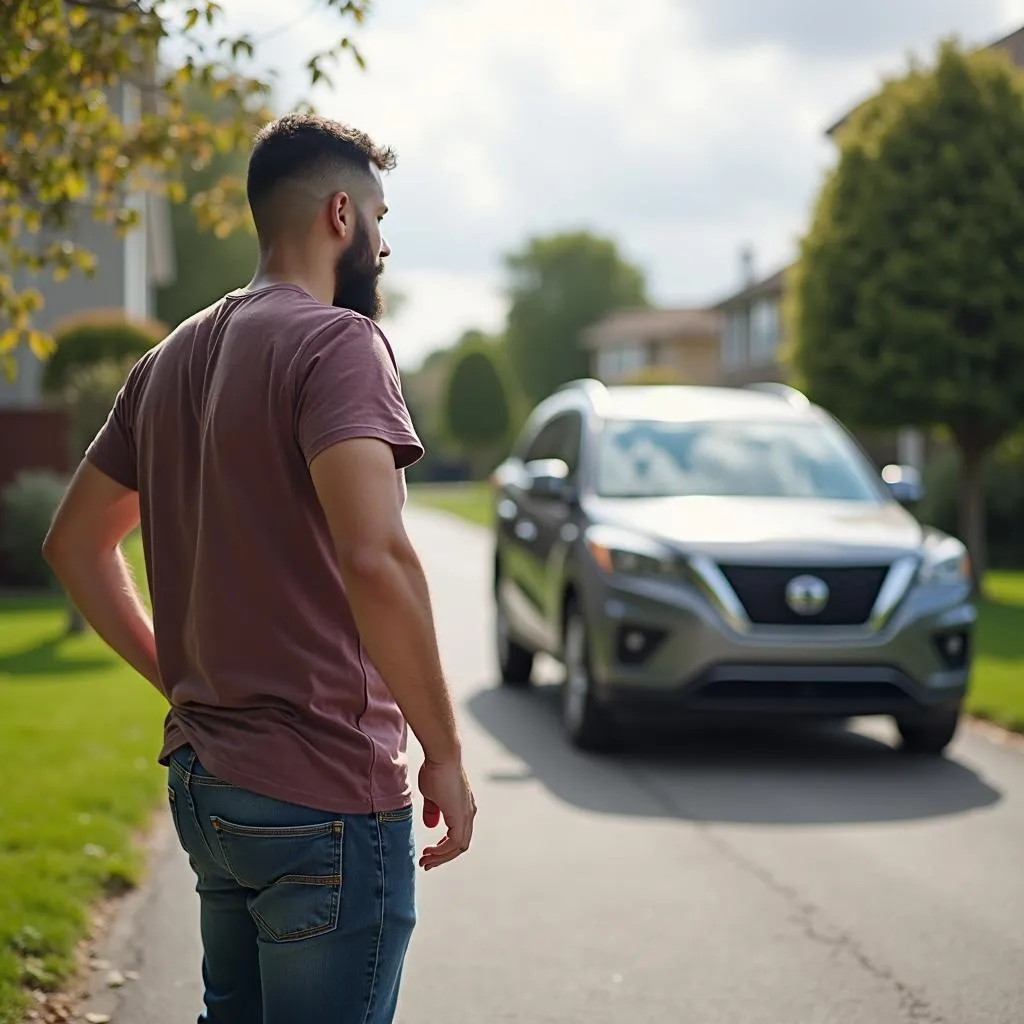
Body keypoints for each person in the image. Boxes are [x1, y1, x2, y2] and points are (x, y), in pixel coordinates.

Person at [42, 113, 476, 1024]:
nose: (386, 246)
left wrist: (182, 677)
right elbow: (378, 558)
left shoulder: (163, 362)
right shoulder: (338, 344)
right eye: (382, 220)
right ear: (341, 214)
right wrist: (446, 753)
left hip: (210, 784)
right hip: (323, 791)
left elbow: (75, 545)